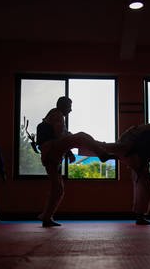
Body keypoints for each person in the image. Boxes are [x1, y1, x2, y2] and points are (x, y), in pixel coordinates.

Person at [37, 96, 114, 227]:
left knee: (58, 188)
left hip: (51, 155)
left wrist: (68, 150)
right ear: (63, 106)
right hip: (52, 150)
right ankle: (101, 153)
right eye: (70, 106)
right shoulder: (57, 114)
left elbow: (62, 135)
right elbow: (59, 135)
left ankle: (46, 216)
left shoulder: (53, 116)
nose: (71, 110)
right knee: (82, 136)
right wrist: (69, 152)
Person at [102, 109, 150, 225]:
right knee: (146, 187)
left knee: (146, 188)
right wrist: (121, 145)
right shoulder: (148, 128)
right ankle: (107, 153)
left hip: (140, 161)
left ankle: (140, 216)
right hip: (130, 152)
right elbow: (130, 134)